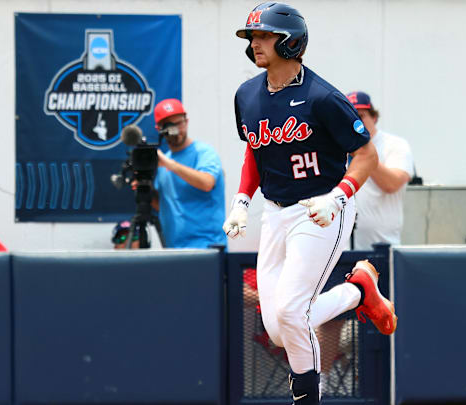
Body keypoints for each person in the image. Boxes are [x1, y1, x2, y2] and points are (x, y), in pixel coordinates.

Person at [223, 3, 397, 404]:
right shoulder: (246, 94)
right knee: (280, 328)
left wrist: (338, 197)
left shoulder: (322, 97)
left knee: (290, 314)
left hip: (321, 209)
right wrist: (241, 202)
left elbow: (366, 155)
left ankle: (306, 398)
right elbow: (255, 150)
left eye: (265, 35)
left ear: (291, 41)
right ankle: (357, 291)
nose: (256, 43)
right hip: (276, 211)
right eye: (253, 37)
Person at [152, 98, 227, 248]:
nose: (175, 130)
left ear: (186, 121)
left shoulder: (204, 152)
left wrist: (170, 165)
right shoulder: (163, 161)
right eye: (168, 125)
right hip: (173, 251)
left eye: (178, 123)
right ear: (158, 128)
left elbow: (207, 183)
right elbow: (163, 204)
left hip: (207, 248)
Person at [346, 91, 414, 249]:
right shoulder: (338, 148)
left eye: (361, 116)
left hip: (381, 245)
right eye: (350, 117)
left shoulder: (395, 145)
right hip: (341, 247)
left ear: (374, 118)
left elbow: (392, 183)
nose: (355, 122)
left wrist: (364, 153)